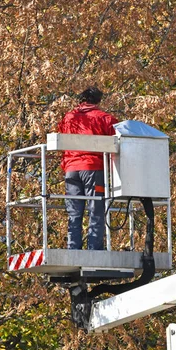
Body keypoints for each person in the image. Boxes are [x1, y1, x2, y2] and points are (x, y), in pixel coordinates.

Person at [57, 87, 119, 250]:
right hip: (93, 169)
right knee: (95, 209)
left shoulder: (68, 118)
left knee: (74, 211)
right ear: (98, 101)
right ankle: (94, 248)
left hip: (71, 169)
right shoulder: (105, 118)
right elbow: (119, 142)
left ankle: (73, 247)